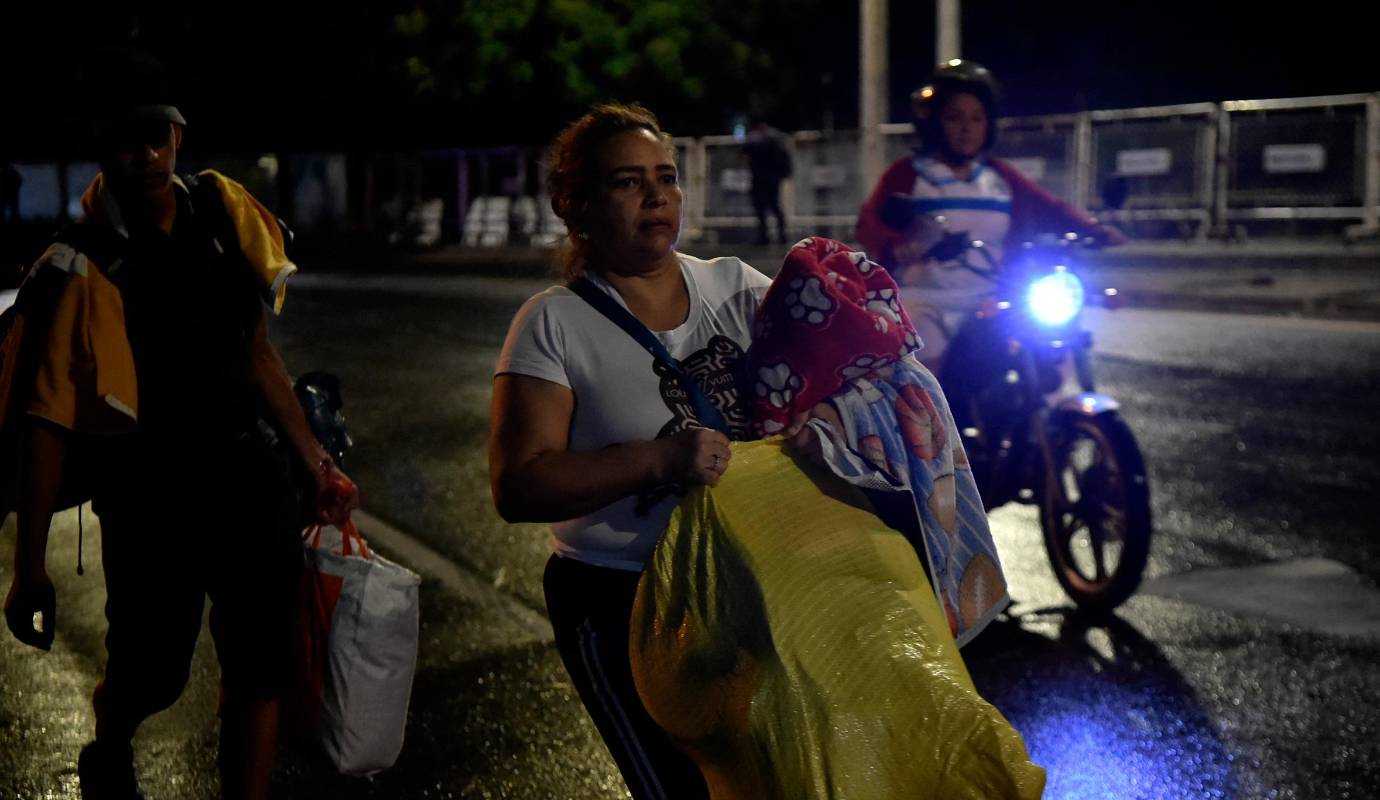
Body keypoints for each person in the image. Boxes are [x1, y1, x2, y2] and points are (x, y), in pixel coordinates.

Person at [1, 47, 359, 800]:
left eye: (159, 135)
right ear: (105, 146)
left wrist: (319, 464)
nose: (148, 154)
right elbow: (44, 420)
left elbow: (260, 355)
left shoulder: (223, 214)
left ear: (179, 136)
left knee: (260, 665)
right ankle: (113, 733)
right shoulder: (79, 263)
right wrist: (29, 562)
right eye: (130, 139)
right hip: (149, 501)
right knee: (152, 673)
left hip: (249, 480)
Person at [488, 102, 770, 800]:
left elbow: (833, 372)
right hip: (622, 600)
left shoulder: (736, 288)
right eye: (626, 182)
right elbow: (519, 485)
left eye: (667, 177)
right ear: (574, 204)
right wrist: (660, 460)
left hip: (752, 584)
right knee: (679, 789)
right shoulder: (553, 323)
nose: (657, 196)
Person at [855, 59, 1126, 375]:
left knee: (1043, 356)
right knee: (927, 388)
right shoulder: (908, 175)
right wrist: (894, 244)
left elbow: (1050, 209)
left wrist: (1095, 228)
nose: (967, 127)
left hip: (989, 300)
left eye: (977, 118)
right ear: (934, 123)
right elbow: (869, 223)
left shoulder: (999, 178)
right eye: (955, 117)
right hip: (925, 302)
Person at [741, 119, 791, 246]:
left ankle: (764, 236)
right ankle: (782, 235)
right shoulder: (776, 136)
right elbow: (785, 156)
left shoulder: (754, 137)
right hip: (773, 176)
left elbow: (745, 153)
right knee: (774, 205)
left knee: (760, 207)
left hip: (759, 176)